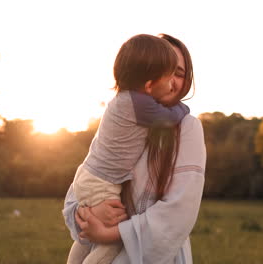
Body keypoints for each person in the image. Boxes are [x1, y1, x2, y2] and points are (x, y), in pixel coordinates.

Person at [63, 33, 206, 264]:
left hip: (154, 255)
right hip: (97, 242)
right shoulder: (122, 121)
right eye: (163, 70)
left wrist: (110, 233)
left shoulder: (187, 127)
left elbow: (179, 212)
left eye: (178, 73)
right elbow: (81, 188)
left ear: (187, 80)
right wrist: (90, 214)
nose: (170, 79)